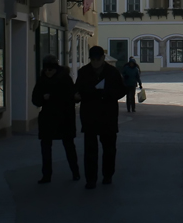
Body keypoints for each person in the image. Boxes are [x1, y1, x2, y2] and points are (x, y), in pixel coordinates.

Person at [75, 46, 127, 189]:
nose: (95, 62)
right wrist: (78, 96)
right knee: (90, 149)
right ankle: (91, 179)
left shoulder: (112, 72)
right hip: (89, 115)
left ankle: (107, 175)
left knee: (109, 148)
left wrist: (108, 93)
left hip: (108, 114)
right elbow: (77, 90)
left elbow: (121, 90)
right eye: (93, 60)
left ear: (103, 59)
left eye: (98, 59)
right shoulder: (84, 72)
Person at [31, 55, 79, 183]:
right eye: (46, 70)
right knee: (46, 147)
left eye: (50, 70)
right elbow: (35, 99)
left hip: (64, 117)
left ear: (56, 69)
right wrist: (43, 98)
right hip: (48, 118)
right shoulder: (42, 80)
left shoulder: (64, 79)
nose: (48, 72)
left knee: (68, 146)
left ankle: (75, 172)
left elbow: (72, 96)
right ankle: (46, 175)